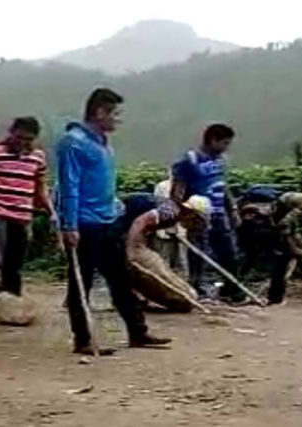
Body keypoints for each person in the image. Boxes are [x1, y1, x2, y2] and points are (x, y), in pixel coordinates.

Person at [56, 88, 170, 355]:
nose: (118, 119)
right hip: (84, 224)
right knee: (80, 282)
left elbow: (101, 184)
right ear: (99, 113)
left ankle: (138, 332)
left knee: (120, 278)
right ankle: (83, 340)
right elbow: (68, 186)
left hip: (107, 221)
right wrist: (69, 225)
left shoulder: (103, 143)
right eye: (115, 114)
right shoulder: (73, 142)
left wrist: (114, 204)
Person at [0, 117, 55, 296]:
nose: (22, 142)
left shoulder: (37, 158)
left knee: (15, 260)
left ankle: (12, 298)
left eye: (28, 139)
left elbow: (40, 187)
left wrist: (51, 211)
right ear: (11, 133)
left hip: (22, 213)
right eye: (19, 137)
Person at [171, 124, 243, 303]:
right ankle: (196, 289)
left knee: (229, 252)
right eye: (225, 143)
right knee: (198, 254)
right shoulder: (190, 160)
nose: (227, 147)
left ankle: (231, 289)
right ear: (213, 140)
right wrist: (182, 215)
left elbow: (223, 186)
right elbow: (177, 192)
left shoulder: (220, 160)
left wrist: (232, 209)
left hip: (219, 214)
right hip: (198, 215)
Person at [257, 192, 302, 305]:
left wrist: (300, 243)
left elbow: (293, 231)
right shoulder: (286, 215)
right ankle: (274, 298)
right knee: (278, 271)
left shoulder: (280, 211)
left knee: (279, 272)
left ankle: (274, 297)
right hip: (273, 244)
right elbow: (285, 234)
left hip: (275, 243)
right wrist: (295, 250)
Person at [152, 177, 188, 278]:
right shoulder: (162, 186)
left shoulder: (188, 186)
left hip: (182, 228)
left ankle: (182, 281)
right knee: (164, 258)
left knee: (182, 259)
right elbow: (160, 206)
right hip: (165, 227)